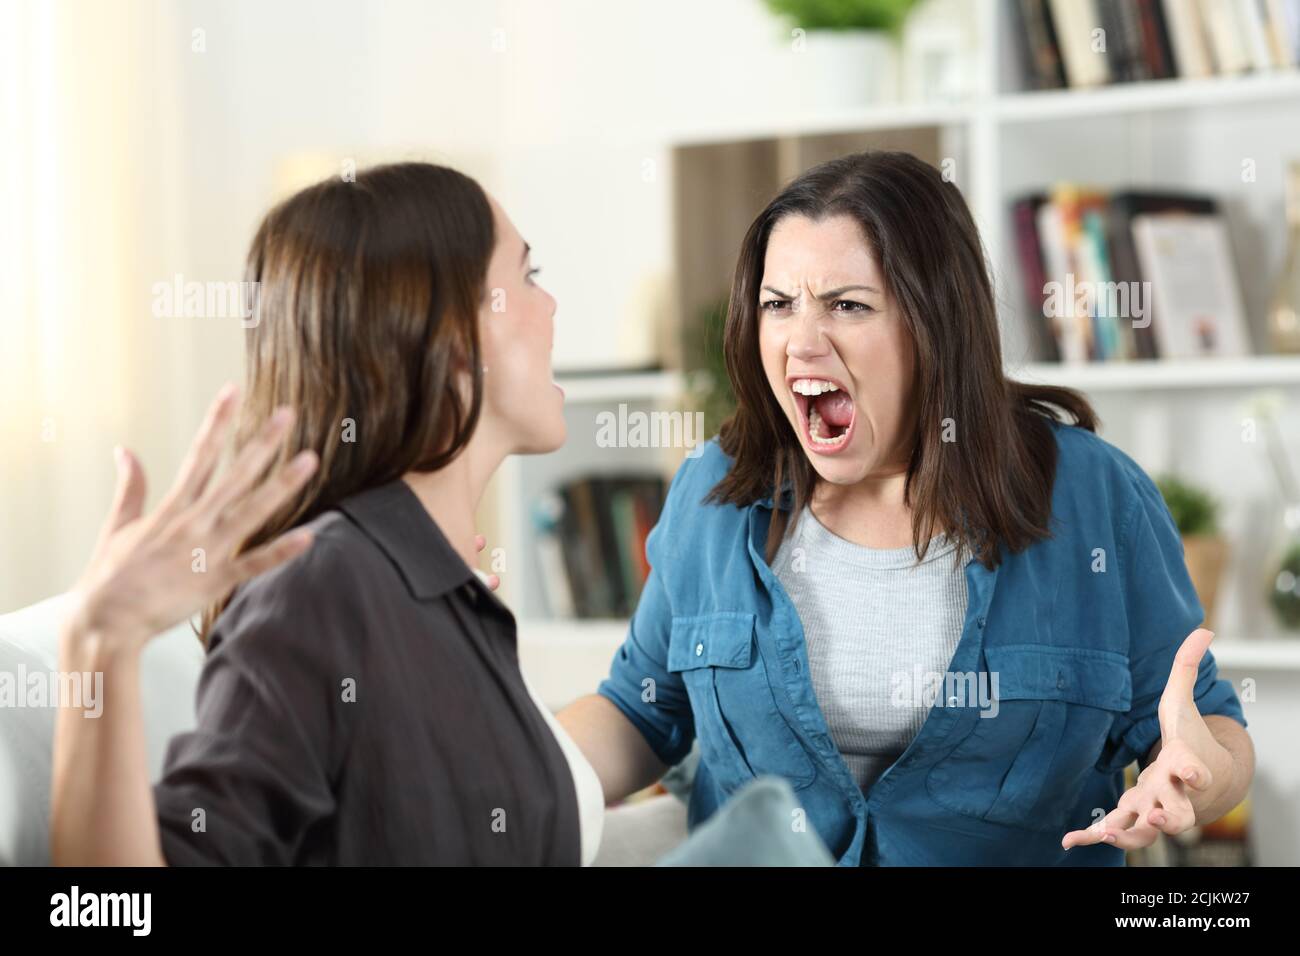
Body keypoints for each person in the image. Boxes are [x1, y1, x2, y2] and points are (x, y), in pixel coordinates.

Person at [557, 150, 1256, 866]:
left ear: (935, 322)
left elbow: (1206, 734)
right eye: (778, 304)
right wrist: (512, 773)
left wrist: (1199, 774)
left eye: (848, 305)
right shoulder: (716, 491)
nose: (802, 341)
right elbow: (640, 713)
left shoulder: (1095, 497)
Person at [51, 162, 605, 865]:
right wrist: (97, 644)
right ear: (453, 331)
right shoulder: (322, 586)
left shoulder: (443, 592)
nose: (552, 306)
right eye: (528, 275)